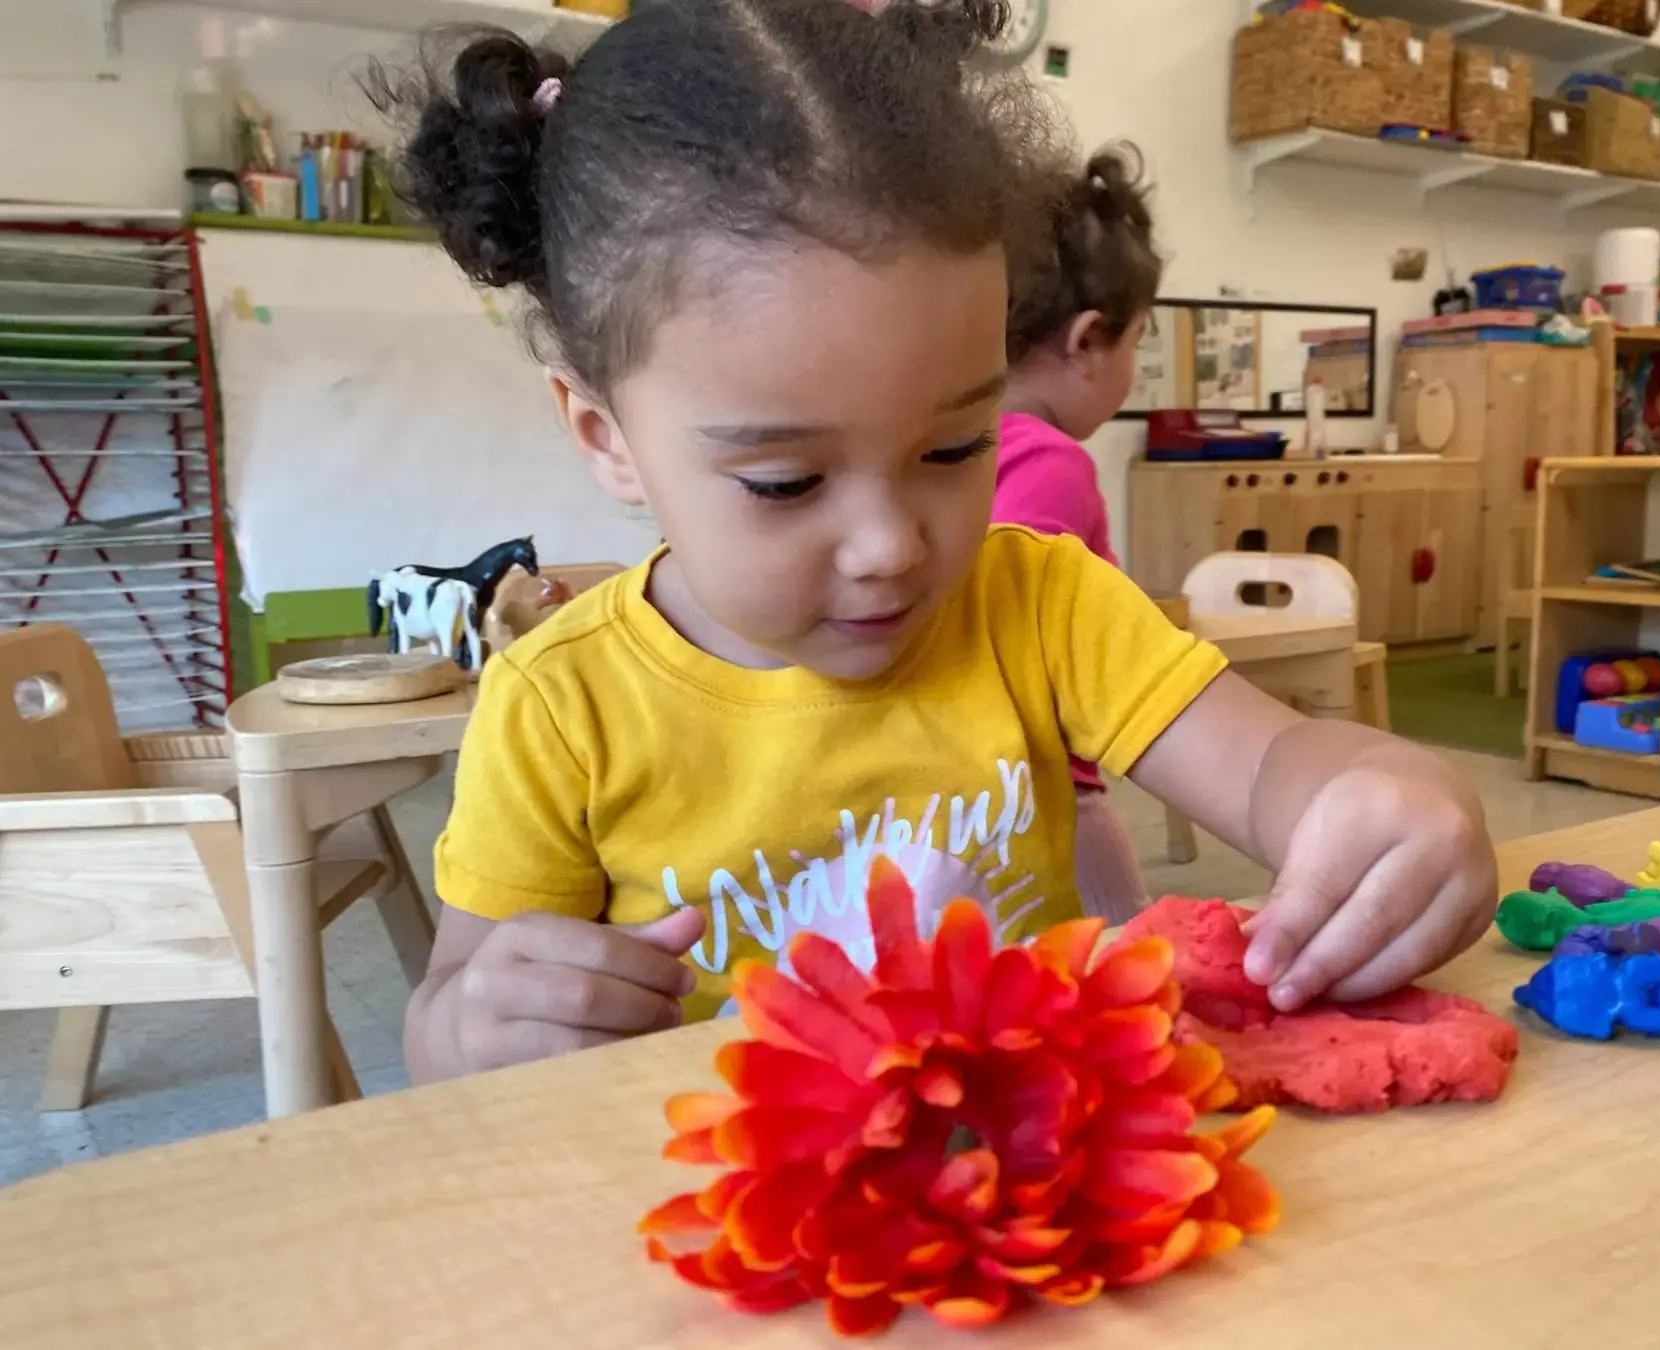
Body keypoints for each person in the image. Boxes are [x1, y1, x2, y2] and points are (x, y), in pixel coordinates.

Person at [376, 0, 1497, 1086]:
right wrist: (475, 1030)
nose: (888, 547)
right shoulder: (559, 707)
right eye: (787, 480)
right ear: (604, 435)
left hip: (1033, 1199)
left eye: (957, 448)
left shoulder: (1043, 604)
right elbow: (446, 1021)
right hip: (738, 1228)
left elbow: (1271, 769)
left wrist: (1381, 790)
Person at [994, 146, 1161, 926]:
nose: (1132, 368)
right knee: (1126, 965)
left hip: (987, 782)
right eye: (1138, 344)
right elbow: (1021, 626)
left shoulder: (962, 445)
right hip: (1053, 788)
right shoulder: (1050, 461)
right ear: (1088, 340)